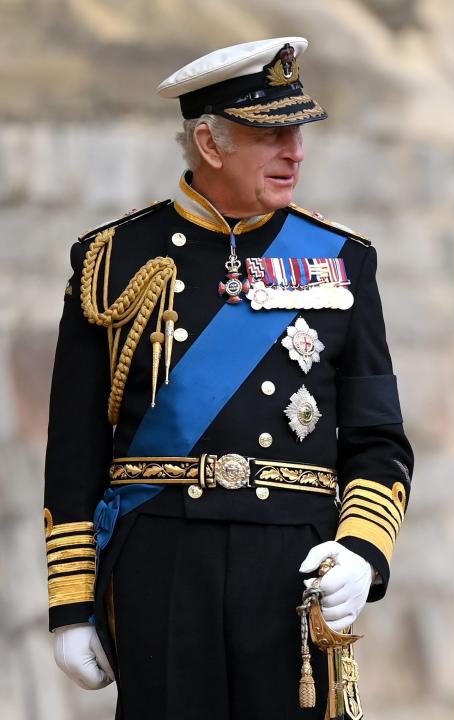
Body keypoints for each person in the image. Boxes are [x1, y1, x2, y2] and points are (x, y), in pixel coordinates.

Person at [43, 37, 413, 719]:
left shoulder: (343, 262)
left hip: (291, 567)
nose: (296, 152)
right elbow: (75, 450)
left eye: (299, 131)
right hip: (161, 562)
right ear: (210, 145)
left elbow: (378, 441)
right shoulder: (112, 260)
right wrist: (71, 604)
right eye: (271, 135)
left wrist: (361, 551)